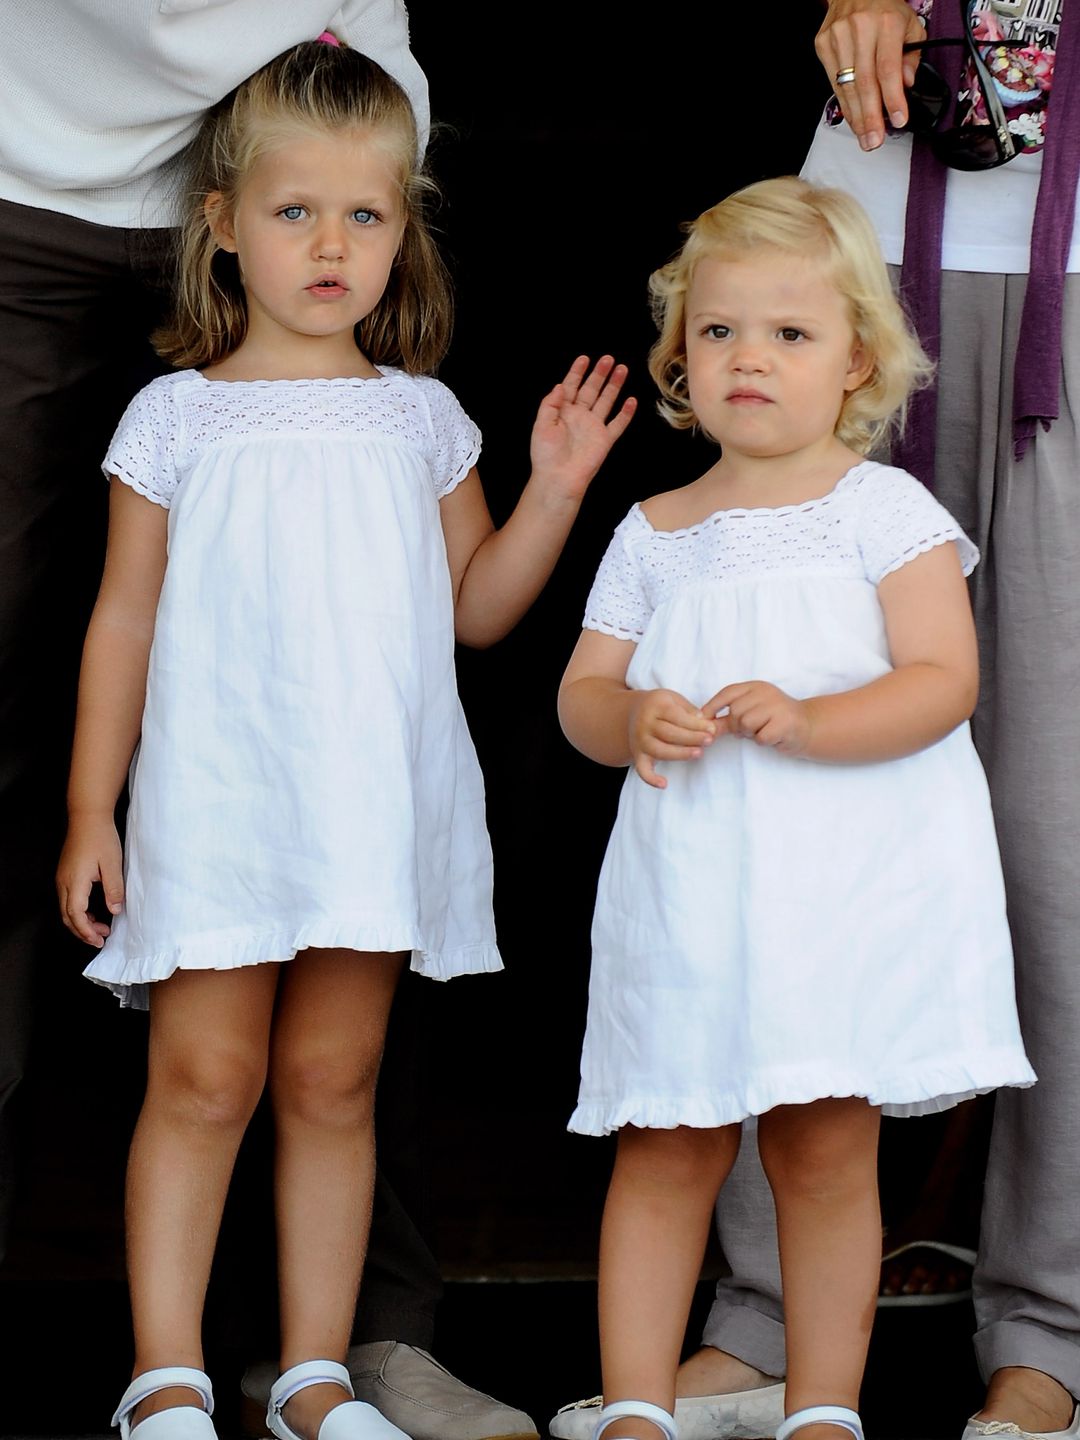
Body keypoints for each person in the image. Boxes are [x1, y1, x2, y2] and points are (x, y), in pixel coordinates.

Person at [55, 35, 634, 1440]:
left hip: (371, 805)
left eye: (365, 214)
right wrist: (91, 809)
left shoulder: (423, 418)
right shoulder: (175, 420)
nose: (330, 244)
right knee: (205, 1078)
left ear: (404, 232)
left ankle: (316, 1372)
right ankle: (167, 1376)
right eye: (294, 211)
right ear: (224, 229)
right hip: (218, 800)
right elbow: (122, 622)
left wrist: (554, 495)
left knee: (332, 1080)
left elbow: (478, 611)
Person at [554, 175, 1034, 1440]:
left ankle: (822, 1407)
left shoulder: (885, 515)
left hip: (837, 899)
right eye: (718, 333)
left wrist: (817, 721)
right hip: (694, 896)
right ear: (680, 359)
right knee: (666, 1144)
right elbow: (582, 697)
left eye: (789, 333)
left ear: (857, 362)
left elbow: (945, 681)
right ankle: (638, 1409)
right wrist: (629, 716)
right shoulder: (656, 530)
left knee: (825, 1147)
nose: (748, 359)